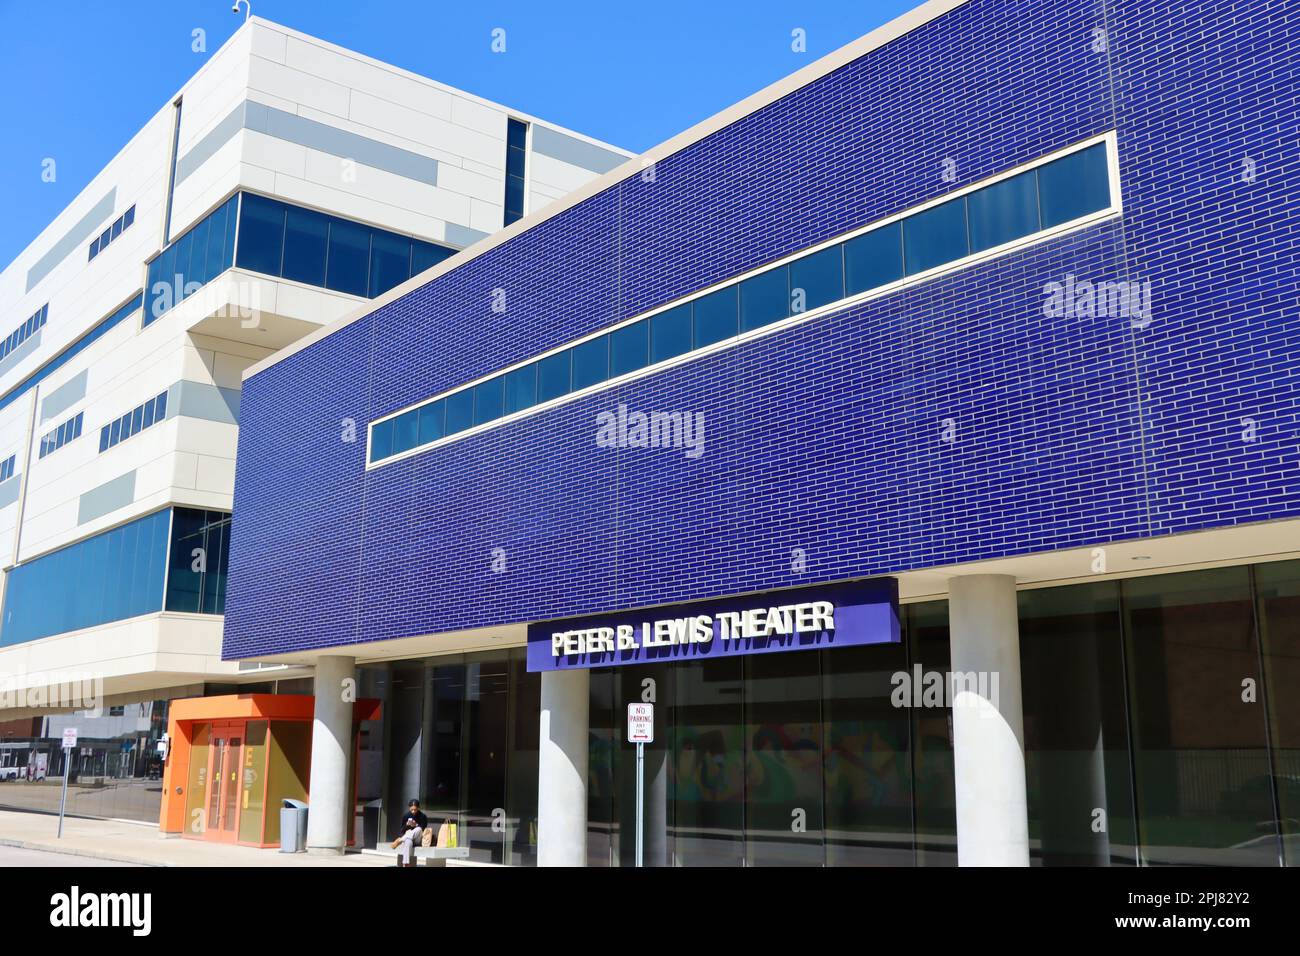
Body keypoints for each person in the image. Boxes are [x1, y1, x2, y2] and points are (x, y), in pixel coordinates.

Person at [391, 799, 429, 867]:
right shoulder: (406, 815)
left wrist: (416, 825)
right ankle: (406, 864)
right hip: (409, 838)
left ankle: (399, 840)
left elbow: (424, 829)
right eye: (412, 809)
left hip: (418, 839)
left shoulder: (423, 816)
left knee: (418, 829)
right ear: (409, 808)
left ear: (418, 808)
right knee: (408, 841)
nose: (413, 811)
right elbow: (402, 831)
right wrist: (407, 826)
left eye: (415, 809)